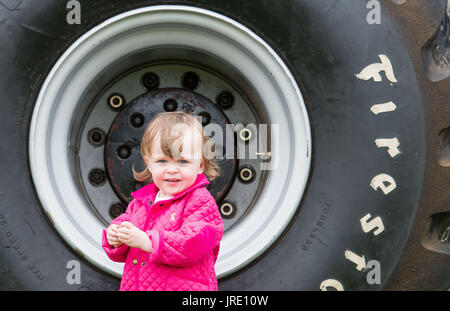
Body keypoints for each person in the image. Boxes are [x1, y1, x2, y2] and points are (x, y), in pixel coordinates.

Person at [102, 111, 224, 291]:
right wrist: (115, 237)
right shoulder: (140, 203)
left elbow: (193, 245)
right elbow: (123, 238)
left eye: (182, 162)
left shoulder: (201, 202)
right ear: (148, 162)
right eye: (162, 161)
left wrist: (148, 242)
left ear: (200, 165)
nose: (172, 170)